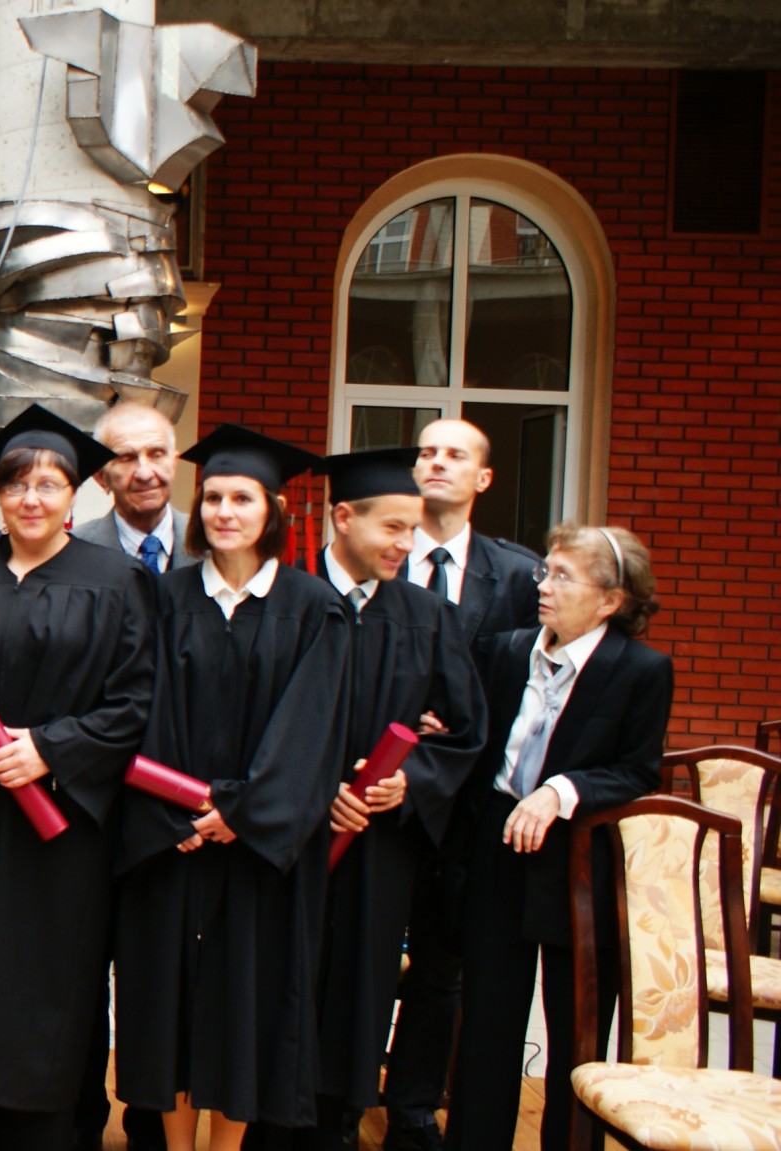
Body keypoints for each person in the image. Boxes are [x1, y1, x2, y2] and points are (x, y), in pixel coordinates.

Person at [0, 404, 157, 1149]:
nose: (30, 498)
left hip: (61, 823)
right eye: (17, 484)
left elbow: (138, 698)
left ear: (75, 494)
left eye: (49, 485)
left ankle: (45, 1129)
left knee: (46, 973)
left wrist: (53, 747)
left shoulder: (117, 579)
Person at [113, 424, 349, 1151]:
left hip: (258, 853)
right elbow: (142, 711)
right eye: (212, 496)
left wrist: (241, 811)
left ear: (274, 509)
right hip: (175, 843)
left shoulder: (314, 606)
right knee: (173, 1007)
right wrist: (182, 814)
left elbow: (313, 729)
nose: (223, 511)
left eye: (242, 498)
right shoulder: (163, 597)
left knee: (248, 1007)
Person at [285, 449, 487, 1150]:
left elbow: (466, 730)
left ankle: (338, 1123)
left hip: (377, 844)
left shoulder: (427, 615)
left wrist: (413, 780)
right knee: (284, 975)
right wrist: (311, 791)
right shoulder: (286, 598)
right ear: (344, 517)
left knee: (358, 985)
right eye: (394, 528)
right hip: (288, 838)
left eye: (414, 528)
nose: (408, 544)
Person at [444, 525, 669, 1151]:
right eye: (545, 571)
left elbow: (638, 771)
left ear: (610, 600)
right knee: (486, 1023)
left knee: (576, 1029)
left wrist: (560, 790)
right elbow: (478, 741)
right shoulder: (509, 650)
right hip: (498, 847)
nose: (543, 585)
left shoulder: (642, 670)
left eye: (563, 576)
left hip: (579, 863)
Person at [381, 417, 540, 1151]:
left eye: (455, 454)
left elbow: (530, 685)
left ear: (484, 478)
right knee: (356, 955)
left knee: (441, 964)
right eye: (427, 452)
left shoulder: (518, 576)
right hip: (376, 792)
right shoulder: (377, 554)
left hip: (467, 803)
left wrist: (462, 727)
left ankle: (413, 1109)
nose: (437, 462)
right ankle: (338, 1100)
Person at [67, 399, 193, 1151]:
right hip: (88, 797)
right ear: (100, 473)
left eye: (157, 453)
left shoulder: (220, 545)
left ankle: (152, 1118)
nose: (144, 470)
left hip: (177, 809)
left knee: (160, 972)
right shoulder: (71, 548)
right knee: (80, 966)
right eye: (124, 457)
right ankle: (77, 1117)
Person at [71, 400, 197, 579]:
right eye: (126, 458)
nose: (145, 474)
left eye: (156, 454)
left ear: (174, 464)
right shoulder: (74, 553)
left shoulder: (210, 543)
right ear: (101, 478)